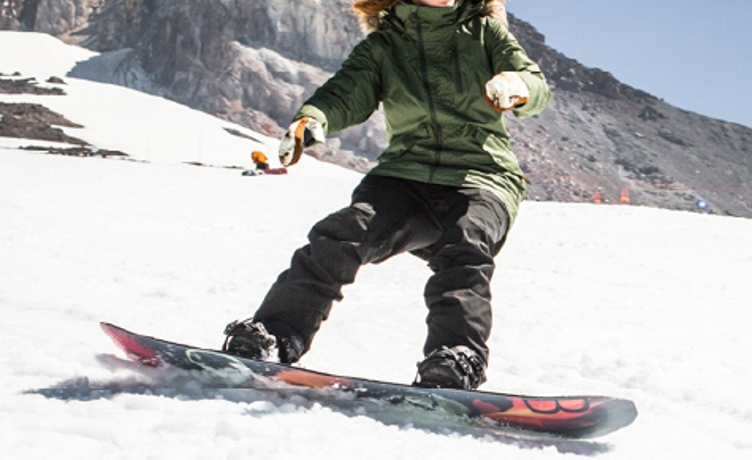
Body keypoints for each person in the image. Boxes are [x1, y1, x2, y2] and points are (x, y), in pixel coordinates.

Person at [223, 0, 551, 390]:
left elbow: (535, 84)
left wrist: (517, 86)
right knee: (342, 235)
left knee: (465, 244)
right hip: (405, 175)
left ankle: (457, 358)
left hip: (481, 175)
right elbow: (346, 92)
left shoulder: (485, 32)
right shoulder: (385, 46)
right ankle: (277, 335)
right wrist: (312, 119)